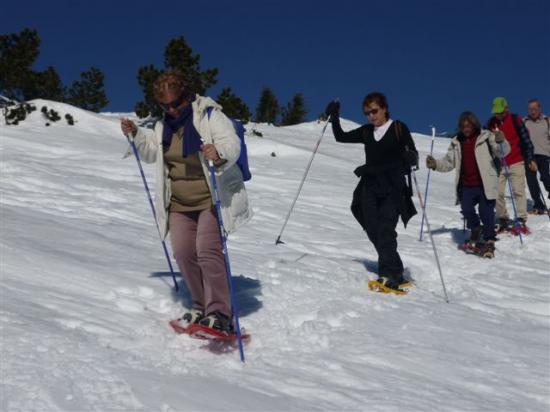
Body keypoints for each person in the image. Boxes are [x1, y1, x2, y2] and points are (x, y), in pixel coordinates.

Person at [120, 70, 251, 333]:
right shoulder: (162, 126)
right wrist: (136, 133)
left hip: (211, 198)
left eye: (176, 103)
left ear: (186, 95)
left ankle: (220, 312)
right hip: (179, 202)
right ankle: (200, 306)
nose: (171, 109)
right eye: (164, 105)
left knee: (207, 251)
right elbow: (151, 153)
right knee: (183, 253)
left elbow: (231, 143)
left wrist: (218, 153)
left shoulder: (208, 116)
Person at [325, 92, 418, 292]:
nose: (371, 116)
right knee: (373, 228)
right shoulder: (367, 132)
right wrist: (334, 116)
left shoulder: (398, 128)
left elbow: (411, 155)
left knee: (385, 230)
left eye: (374, 111)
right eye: (367, 113)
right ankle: (396, 269)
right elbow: (341, 137)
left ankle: (389, 275)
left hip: (393, 188)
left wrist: (410, 156)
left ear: (384, 108)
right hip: (369, 187)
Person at [426, 112, 509, 258]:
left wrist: (501, 141)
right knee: (466, 209)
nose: (466, 129)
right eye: (463, 126)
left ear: (474, 124)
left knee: (486, 212)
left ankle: (489, 239)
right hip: (466, 185)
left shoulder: (486, 136)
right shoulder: (457, 142)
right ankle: (476, 228)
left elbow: (502, 152)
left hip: (485, 183)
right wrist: (435, 164)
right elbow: (448, 162)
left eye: (468, 125)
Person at [487, 97, 536, 232]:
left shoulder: (515, 119)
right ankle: (502, 218)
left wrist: (530, 158)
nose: (498, 115)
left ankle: (521, 219)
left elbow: (526, 140)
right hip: (499, 164)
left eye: (501, 112)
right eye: (496, 112)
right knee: (497, 193)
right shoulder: (491, 124)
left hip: (516, 161)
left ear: (506, 109)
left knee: (518, 191)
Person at [523, 99, 550, 215]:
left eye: (534, 108)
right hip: (529, 155)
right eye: (530, 109)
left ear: (539, 108)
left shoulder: (547, 121)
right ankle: (538, 206)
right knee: (531, 180)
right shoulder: (524, 121)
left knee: (546, 177)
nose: (532, 111)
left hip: (544, 154)